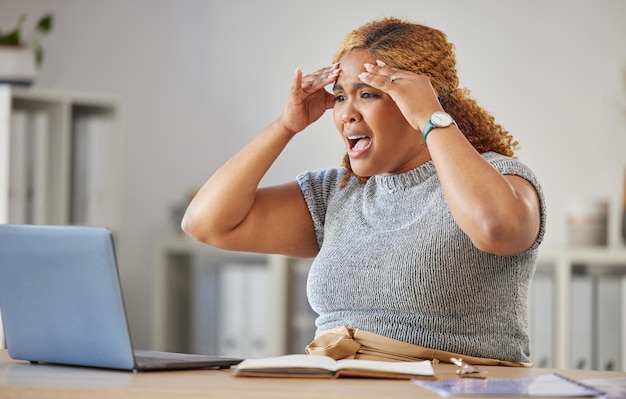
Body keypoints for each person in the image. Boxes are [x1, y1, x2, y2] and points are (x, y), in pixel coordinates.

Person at [182, 17, 546, 367]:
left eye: (368, 94)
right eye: (340, 97)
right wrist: (286, 126)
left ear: (417, 99)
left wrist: (431, 117)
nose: (346, 114)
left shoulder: (499, 176)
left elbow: (497, 228)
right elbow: (207, 224)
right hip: (337, 383)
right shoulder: (339, 194)